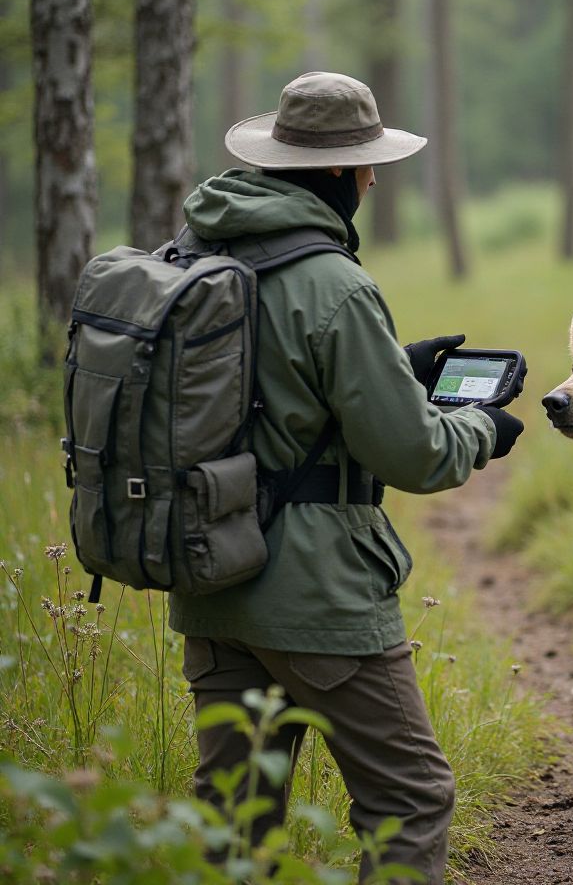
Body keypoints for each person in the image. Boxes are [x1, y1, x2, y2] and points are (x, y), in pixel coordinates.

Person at [168, 71, 524, 882]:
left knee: (234, 814)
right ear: (335, 175)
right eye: (366, 166)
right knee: (411, 797)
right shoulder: (336, 283)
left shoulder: (200, 255)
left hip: (211, 580)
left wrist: (392, 369)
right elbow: (416, 455)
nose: (371, 180)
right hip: (315, 594)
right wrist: (481, 427)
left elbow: (263, 395)